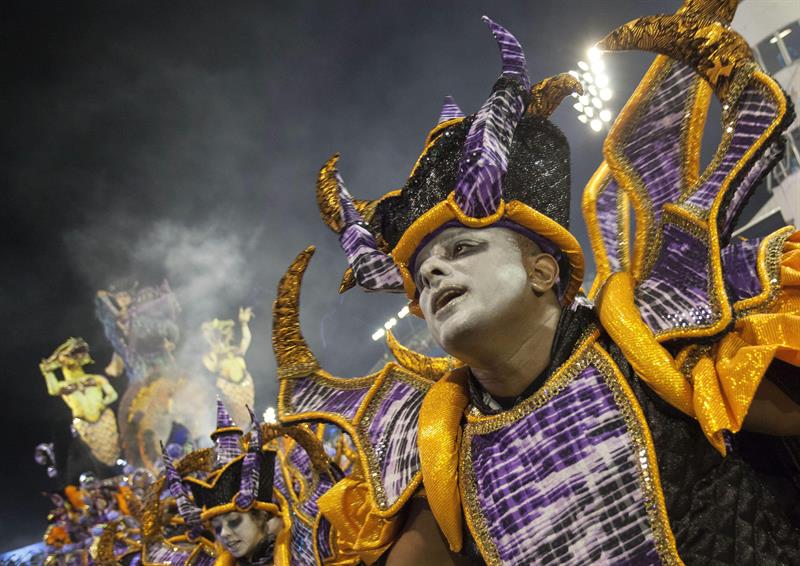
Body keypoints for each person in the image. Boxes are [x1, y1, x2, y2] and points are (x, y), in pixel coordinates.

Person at [272, 2, 800, 564]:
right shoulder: (445, 454)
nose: (431, 274)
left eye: (462, 248)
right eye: (422, 275)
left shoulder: (661, 353)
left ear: (542, 271)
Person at [40, 337, 121, 467]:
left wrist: (103, 403)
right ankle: (102, 468)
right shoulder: (63, 386)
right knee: (94, 450)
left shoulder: (96, 379)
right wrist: (47, 371)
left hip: (104, 418)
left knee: (112, 445)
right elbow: (53, 389)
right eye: (69, 356)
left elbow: (113, 395)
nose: (74, 359)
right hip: (84, 422)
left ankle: (114, 464)